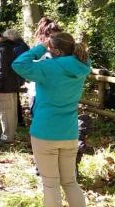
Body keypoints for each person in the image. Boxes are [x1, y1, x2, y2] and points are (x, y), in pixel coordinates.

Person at [12, 32, 90, 207]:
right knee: (70, 182)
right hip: (69, 133)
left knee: (50, 184)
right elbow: (81, 56)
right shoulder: (82, 65)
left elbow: (18, 63)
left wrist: (41, 47)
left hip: (45, 131)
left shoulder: (47, 68)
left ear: (54, 50)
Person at [0, 29, 21, 144]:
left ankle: (6, 138)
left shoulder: (2, 50)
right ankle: (9, 136)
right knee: (11, 113)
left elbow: (2, 71)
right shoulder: (8, 48)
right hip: (10, 86)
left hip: (5, 88)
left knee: (5, 113)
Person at [3, 28, 30, 126]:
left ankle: (18, 120)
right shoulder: (17, 45)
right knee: (14, 97)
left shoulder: (20, 46)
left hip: (17, 75)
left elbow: (19, 62)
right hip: (14, 74)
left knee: (14, 97)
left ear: (11, 37)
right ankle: (17, 120)